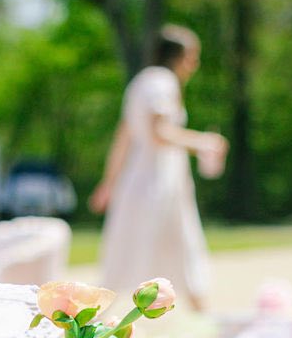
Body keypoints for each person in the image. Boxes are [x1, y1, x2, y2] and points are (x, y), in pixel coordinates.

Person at [90, 25, 224, 312]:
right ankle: (204, 317)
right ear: (179, 56)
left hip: (143, 181)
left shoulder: (141, 82)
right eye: (192, 56)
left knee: (138, 249)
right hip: (156, 183)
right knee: (174, 247)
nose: (195, 63)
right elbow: (159, 131)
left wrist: (108, 183)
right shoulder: (162, 81)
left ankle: (202, 314)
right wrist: (202, 143)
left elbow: (123, 138)